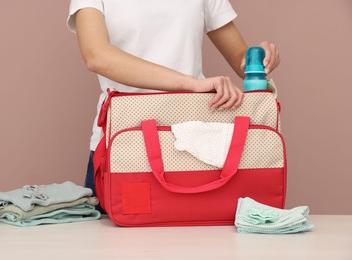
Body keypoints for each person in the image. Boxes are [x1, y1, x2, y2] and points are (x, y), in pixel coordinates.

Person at [66, 0, 280, 212]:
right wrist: (190, 84)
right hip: (123, 143)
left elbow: (241, 61)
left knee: (206, 240)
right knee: (115, 243)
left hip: (195, 145)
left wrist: (258, 59)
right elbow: (97, 56)